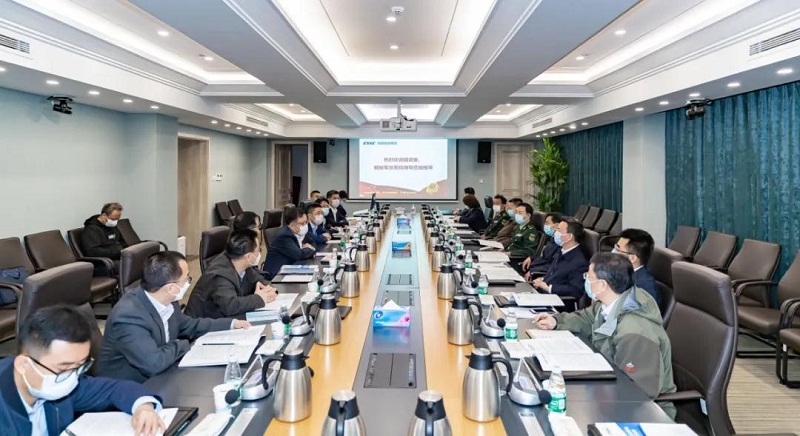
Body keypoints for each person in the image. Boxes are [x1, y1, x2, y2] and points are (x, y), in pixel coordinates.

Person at [532, 253, 677, 417]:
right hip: (607, 387)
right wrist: (556, 321)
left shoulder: (634, 332)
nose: (586, 280)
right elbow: (586, 318)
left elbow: (637, 392)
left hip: (642, 412)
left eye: (588, 276)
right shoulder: (612, 302)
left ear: (602, 285)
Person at [0, 305, 165, 435]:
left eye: (79, 366)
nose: (72, 377)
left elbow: (113, 389)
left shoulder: (62, 382)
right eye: (63, 368)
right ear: (23, 365)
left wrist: (144, 408)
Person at [97, 251, 252, 382]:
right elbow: (153, 363)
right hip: (130, 388)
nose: (188, 283)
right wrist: (183, 345)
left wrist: (231, 324)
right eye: (186, 279)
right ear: (171, 288)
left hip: (164, 373)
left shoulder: (168, 299)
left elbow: (189, 326)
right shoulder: (129, 316)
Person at [186, 229, 278, 318]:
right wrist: (259, 298)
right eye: (259, 250)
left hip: (226, 318)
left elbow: (259, 279)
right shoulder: (220, 275)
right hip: (204, 324)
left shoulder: (241, 261)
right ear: (249, 256)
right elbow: (231, 306)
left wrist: (269, 289)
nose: (260, 253)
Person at [531, 219, 588, 300]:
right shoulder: (562, 251)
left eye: (559, 230)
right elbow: (554, 274)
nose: (555, 232)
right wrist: (542, 279)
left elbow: (575, 290)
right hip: (543, 294)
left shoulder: (579, 262)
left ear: (569, 237)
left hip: (557, 301)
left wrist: (549, 288)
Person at [261, 207, 316, 280]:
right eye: (302, 223)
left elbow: (313, 243)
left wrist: (309, 248)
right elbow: (299, 255)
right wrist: (310, 249)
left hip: (291, 268)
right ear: (292, 225)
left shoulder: (300, 232)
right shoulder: (284, 236)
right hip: (276, 275)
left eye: (306, 222)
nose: (305, 225)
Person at [614, 229, 658, 304]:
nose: (613, 252)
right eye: (615, 247)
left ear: (632, 258)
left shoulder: (643, 287)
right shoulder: (625, 272)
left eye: (618, 249)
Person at [523, 212, 563, 277]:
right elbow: (544, 257)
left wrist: (533, 271)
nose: (544, 225)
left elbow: (551, 264)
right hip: (535, 268)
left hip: (540, 273)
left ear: (557, 225)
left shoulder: (559, 243)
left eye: (547, 223)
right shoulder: (552, 239)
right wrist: (531, 258)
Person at [508, 202, 539, 267]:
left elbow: (529, 251)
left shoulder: (530, 231)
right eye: (516, 212)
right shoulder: (518, 227)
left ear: (528, 216)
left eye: (520, 213)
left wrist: (510, 253)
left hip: (516, 260)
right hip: (509, 256)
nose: (517, 215)